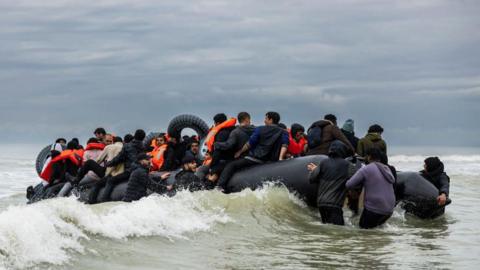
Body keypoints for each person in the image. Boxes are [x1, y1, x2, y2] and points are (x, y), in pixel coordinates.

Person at [216, 112, 289, 190]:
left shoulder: (260, 129)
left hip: (255, 159)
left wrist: (240, 152)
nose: (264, 121)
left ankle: (219, 187)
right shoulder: (284, 132)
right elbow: (284, 145)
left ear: (271, 119)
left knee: (231, 165)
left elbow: (250, 143)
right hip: (270, 161)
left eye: (266, 119)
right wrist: (280, 158)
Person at [346, 148, 396, 229]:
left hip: (375, 208)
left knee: (363, 231)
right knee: (375, 232)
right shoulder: (386, 169)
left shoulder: (366, 169)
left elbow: (349, 184)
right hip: (389, 210)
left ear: (369, 157)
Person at [308, 141, 353, 225]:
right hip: (335, 204)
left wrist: (314, 170)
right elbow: (355, 181)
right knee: (338, 232)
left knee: (327, 230)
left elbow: (311, 179)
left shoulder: (323, 162)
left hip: (321, 204)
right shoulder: (347, 165)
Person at [102, 129, 147, 201]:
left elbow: (118, 159)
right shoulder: (144, 147)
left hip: (130, 171)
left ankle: (104, 200)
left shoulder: (127, 146)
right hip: (142, 170)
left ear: (134, 136)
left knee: (111, 180)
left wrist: (108, 164)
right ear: (143, 138)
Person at [204, 113, 237, 182]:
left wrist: (212, 166)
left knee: (204, 172)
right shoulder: (234, 130)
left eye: (215, 123)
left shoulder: (221, 133)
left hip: (224, 161)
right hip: (235, 159)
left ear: (218, 123)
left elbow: (217, 152)